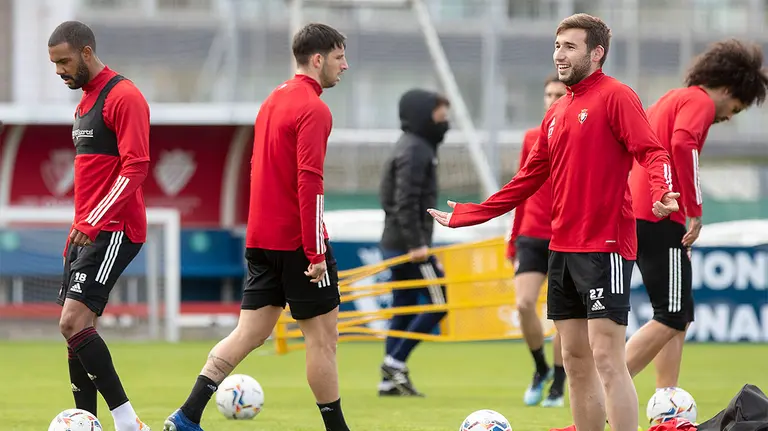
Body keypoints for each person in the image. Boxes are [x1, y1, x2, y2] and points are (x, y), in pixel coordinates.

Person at [427, 13, 680, 431]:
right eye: (557, 46)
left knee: (607, 360)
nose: (559, 55)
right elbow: (527, 179)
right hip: (561, 250)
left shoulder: (617, 96)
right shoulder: (557, 112)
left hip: (606, 248)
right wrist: (470, 214)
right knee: (574, 362)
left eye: (569, 47)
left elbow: (652, 151)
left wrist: (661, 190)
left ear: (596, 53)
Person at [163, 22, 351, 431]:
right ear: (317, 59)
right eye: (339, 57)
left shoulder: (272, 100)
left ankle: (187, 414)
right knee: (323, 339)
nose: (345, 66)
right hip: (299, 243)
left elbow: (256, 168)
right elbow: (309, 180)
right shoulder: (314, 108)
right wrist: (316, 251)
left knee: (250, 332)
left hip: (262, 237)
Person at [626, 39, 768, 389]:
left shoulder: (670, 99)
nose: (728, 117)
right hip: (660, 214)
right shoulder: (699, 101)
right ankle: (603, 392)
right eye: (735, 108)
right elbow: (683, 143)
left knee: (680, 312)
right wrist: (694, 210)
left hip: (639, 211)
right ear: (727, 89)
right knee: (672, 313)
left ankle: (666, 402)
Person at [48, 21, 151, 431]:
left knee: (72, 322)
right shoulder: (83, 104)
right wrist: (77, 230)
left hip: (115, 227)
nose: (59, 70)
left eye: (64, 61)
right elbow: (91, 178)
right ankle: (87, 421)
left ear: (87, 52)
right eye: (54, 63)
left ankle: (127, 423)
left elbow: (136, 167)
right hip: (87, 230)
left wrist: (93, 220)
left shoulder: (123, 96)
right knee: (77, 330)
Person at [377, 89, 451, 397]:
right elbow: (403, 200)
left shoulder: (411, 145)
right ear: (423, 114)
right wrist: (419, 244)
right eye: (439, 114)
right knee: (439, 302)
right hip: (410, 246)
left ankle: (388, 381)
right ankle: (394, 363)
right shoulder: (416, 149)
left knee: (404, 309)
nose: (445, 120)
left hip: (397, 241)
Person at [507, 74, 568, 408]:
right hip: (531, 233)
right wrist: (512, 238)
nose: (552, 99)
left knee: (561, 315)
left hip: (564, 235)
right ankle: (541, 368)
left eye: (559, 93)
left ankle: (559, 383)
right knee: (523, 303)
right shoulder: (532, 137)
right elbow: (520, 188)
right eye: (548, 94)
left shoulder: (578, 135)